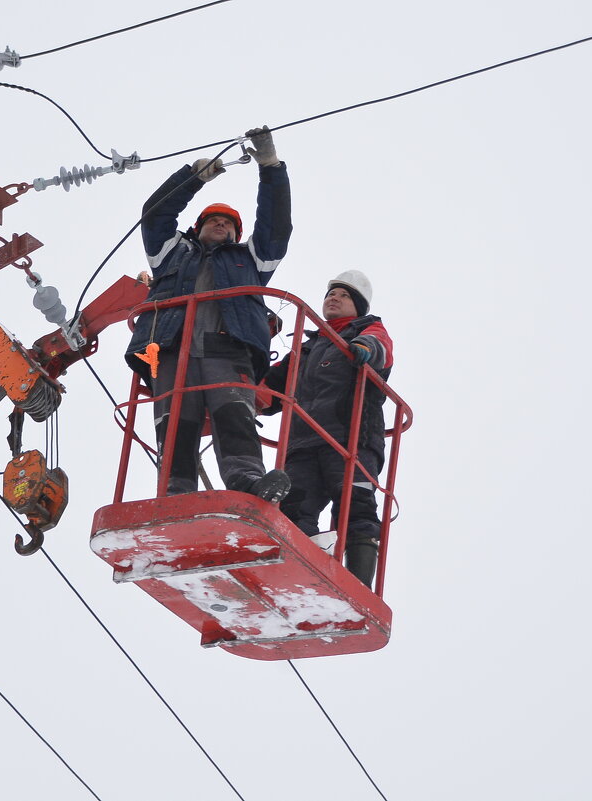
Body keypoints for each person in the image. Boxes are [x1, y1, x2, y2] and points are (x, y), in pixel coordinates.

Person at [125, 126, 292, 501]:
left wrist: (270, 167)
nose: (222, 224)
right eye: (214, 220)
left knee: (235, 417)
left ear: (237, 234)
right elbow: (155, 214)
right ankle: (173, 493)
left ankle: (249, 484)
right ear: (197, 228)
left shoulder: (251, 260)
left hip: (227, 348)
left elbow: (276, 226)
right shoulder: (171, 252)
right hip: (168, 349)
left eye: (229, 223)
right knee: (174, 424)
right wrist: (194, 177)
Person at [259, 270, 393, 587]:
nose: (334, 298)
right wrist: (236, 398)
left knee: (355, 507)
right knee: (293, 507)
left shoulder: (368, 330)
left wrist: (364, 348)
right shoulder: (307, 349)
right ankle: (297, 575)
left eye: (344, 295)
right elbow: (268, 389)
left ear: (358, 306)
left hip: (352, 438)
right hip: (304, 443)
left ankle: (358, 584)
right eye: (331, 293)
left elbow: (380, 347)